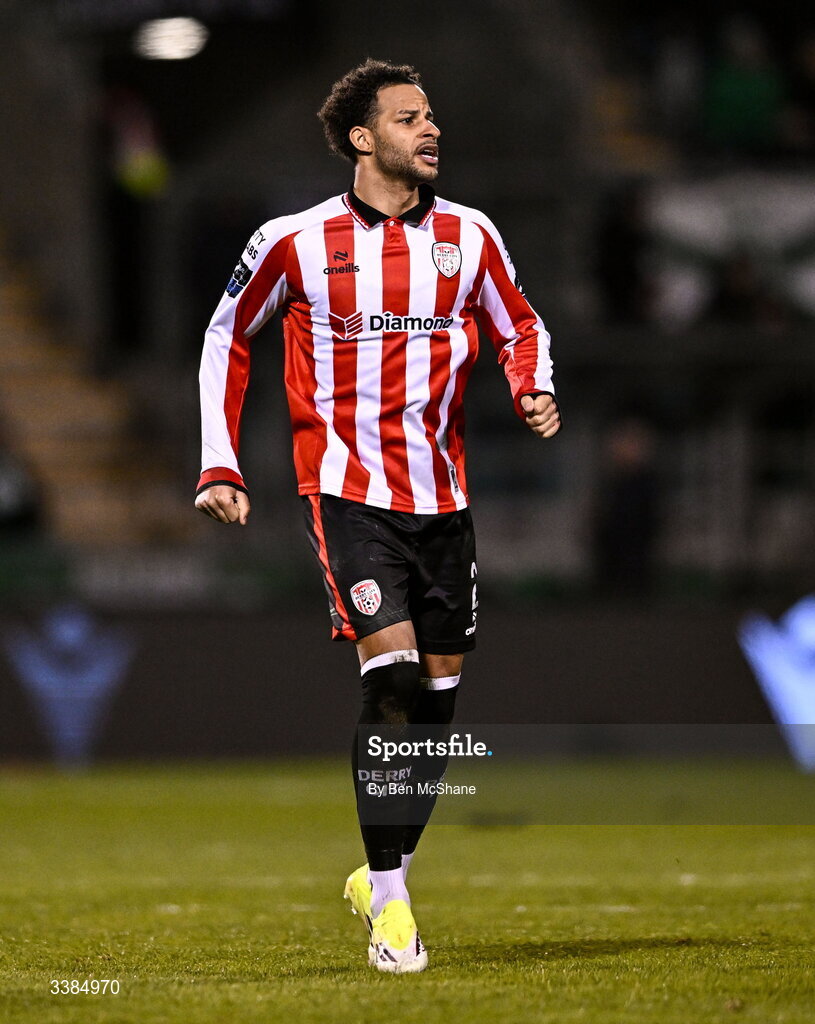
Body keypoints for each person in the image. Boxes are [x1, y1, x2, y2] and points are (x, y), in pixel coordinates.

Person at [194, 59, 560, 974]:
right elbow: (226, 336)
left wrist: (532, 384)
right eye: (407, 118)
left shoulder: (469, 237)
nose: (429, 130)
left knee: (437, 697)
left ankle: (378, 872)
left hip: (444, 499)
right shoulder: (293, 240)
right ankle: (393, 905)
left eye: (431, 116)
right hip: (346, 489)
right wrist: (220, 459)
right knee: (390, 671)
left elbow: (520, 324)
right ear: (362, 138)